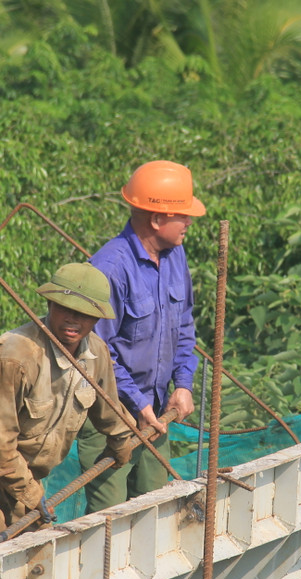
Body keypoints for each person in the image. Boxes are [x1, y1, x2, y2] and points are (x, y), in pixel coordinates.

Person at [0, 263, 134, 544]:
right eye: (65, 309)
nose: (73, 320)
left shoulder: (96, 352)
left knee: (35, 545)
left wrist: (122, 440)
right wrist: (29, 492)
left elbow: (108, 407)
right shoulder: (15, 357)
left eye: (84, 314)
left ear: (97, 318)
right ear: (50, 304)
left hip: (19, 466)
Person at [77, 160, 206, 513]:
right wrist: (137, 403)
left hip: (155, 409)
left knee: (155, 510)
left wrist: (183, 383)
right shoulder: (110, 268)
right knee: (110, 521)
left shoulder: (175, 254)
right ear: (156, 219)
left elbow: (184, 325)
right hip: (108, 416)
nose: (189, 223)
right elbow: (95, 353)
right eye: (183, 215)